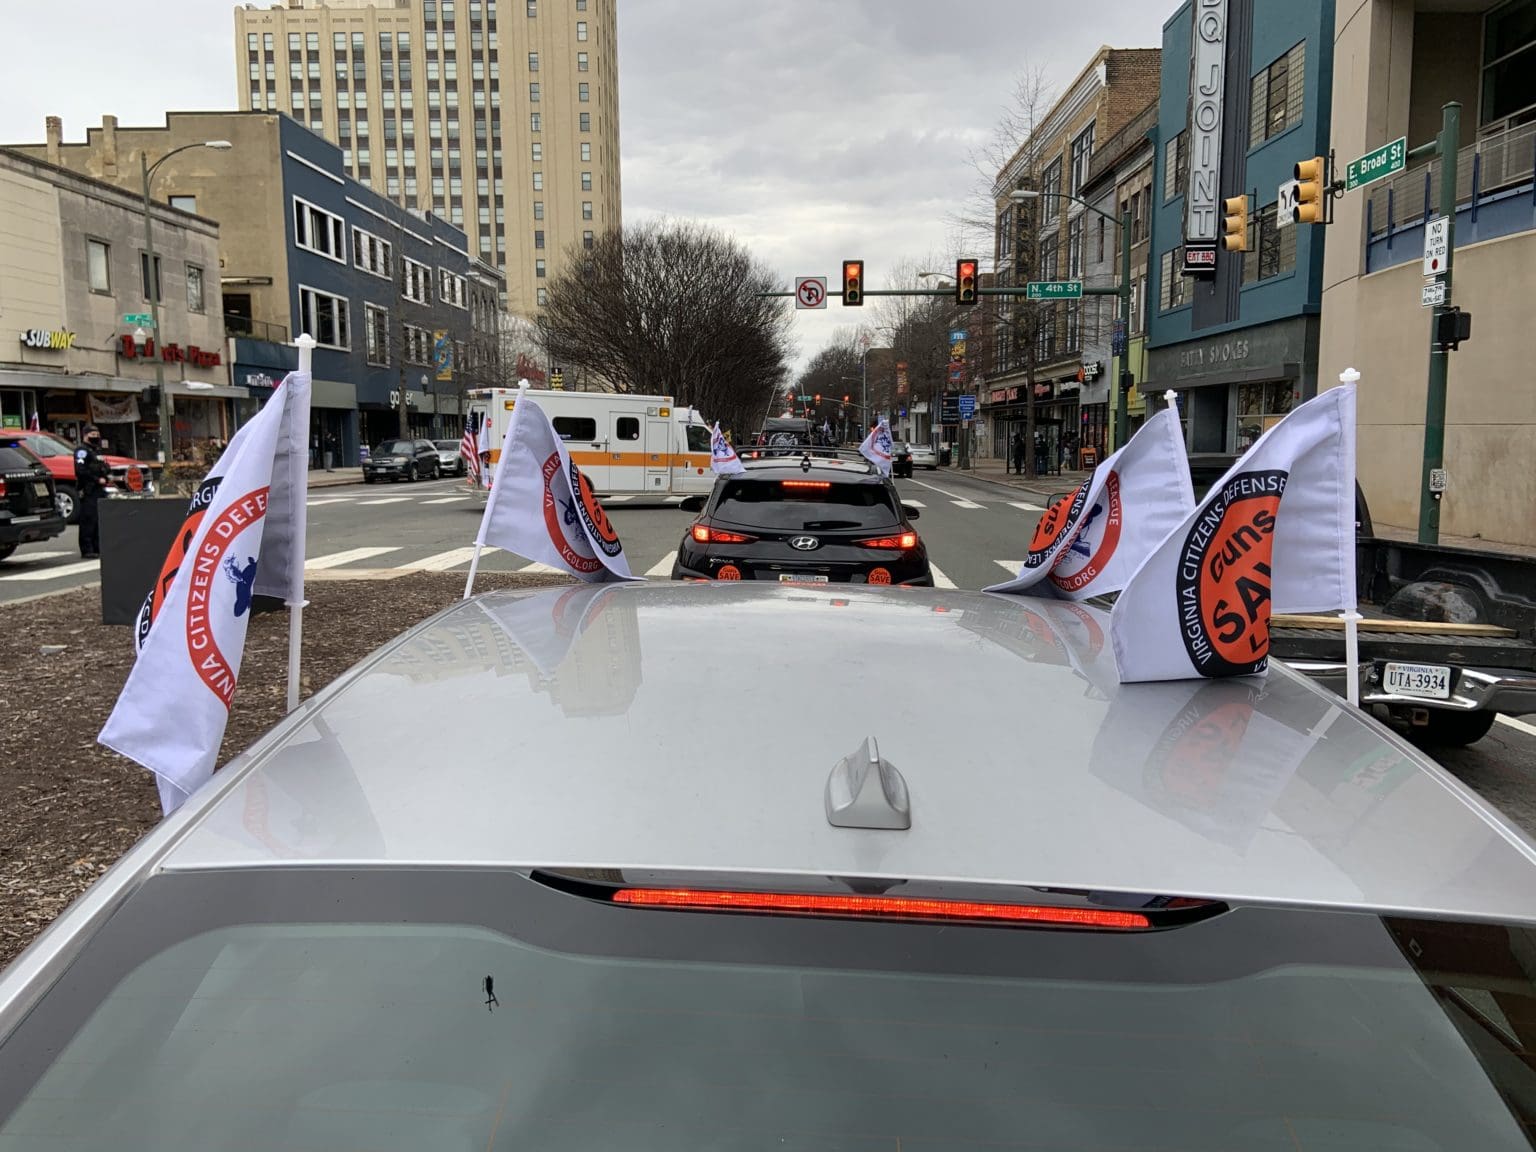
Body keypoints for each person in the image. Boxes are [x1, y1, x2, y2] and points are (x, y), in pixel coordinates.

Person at [73, 425, 111, 559]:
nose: (96, 438)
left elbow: (104, 467)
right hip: (88, 489)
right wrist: (96, 479)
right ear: (85, 435)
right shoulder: (82, 451)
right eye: (93, 435)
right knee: (88, 519)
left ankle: (97, 547)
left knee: (97, 519)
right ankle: (87, 548)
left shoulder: (96, 451)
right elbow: (80, 470)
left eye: (97, 435)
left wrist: (105, 474)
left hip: (99, 489)